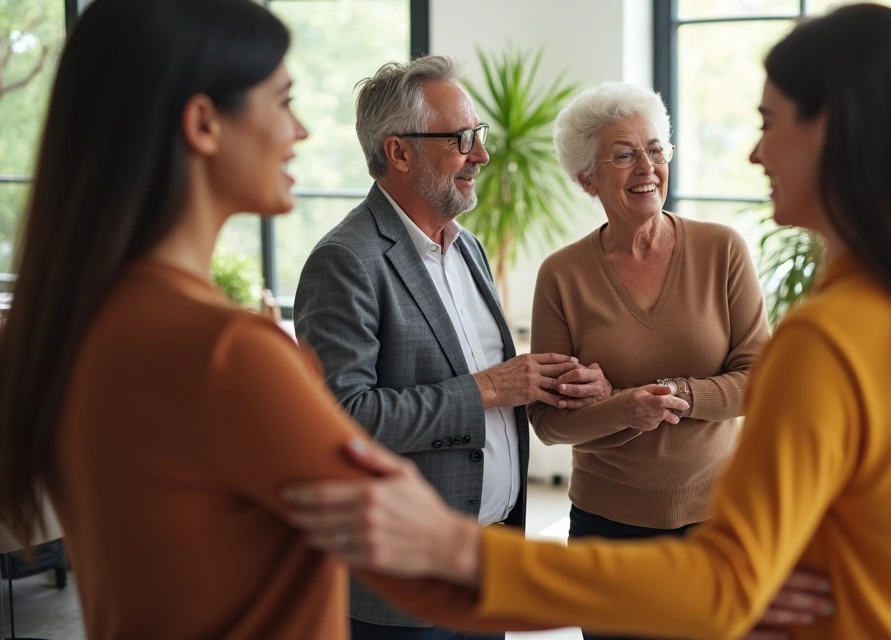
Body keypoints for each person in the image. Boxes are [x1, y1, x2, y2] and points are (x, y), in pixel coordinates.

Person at [284, 5, 891, 638]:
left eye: (770, 123)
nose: (755, 151)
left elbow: (719, 584)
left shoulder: (829, 337)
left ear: (837, 135)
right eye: (623, 155)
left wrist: (466, 558)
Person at [0, 2, 560, 638]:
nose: (301, 132)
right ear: (205, 123)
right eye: (283, 100)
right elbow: (410, 525)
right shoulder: (232, 351)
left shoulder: (95, 325)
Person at [293, 56, 610, 639]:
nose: (481, 155)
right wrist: (490, 389)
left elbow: (494, 386)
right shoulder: (346, 261)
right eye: (462, 139)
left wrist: (554, 383)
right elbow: (343, 420)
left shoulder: (468, 250)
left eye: (479, 136)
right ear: (399, 152)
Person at [526, 81, 770, 640]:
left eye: (656, 149)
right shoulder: (562, 276)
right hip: (609, 529)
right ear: (588, 178)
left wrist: (676, 394)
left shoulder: (722, 250)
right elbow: (549, 423)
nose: (647, 166)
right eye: (624, 154)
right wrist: (624, 410)